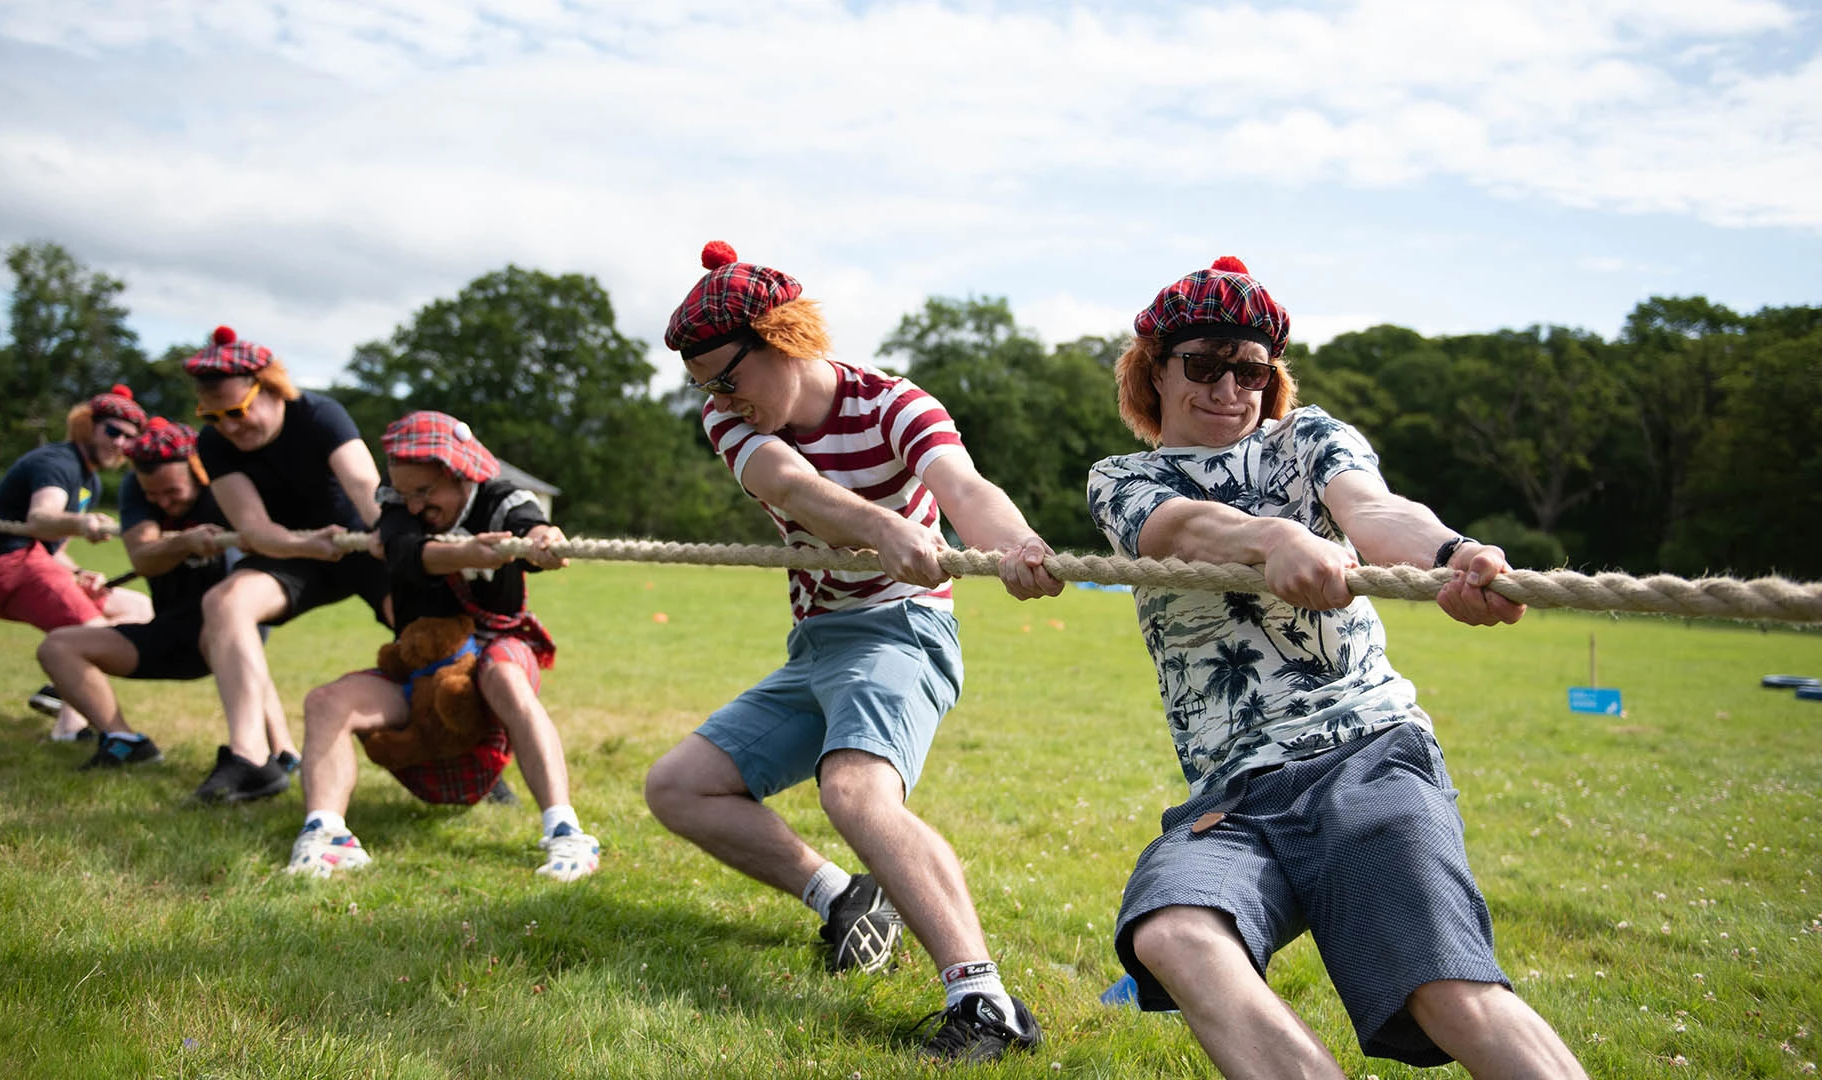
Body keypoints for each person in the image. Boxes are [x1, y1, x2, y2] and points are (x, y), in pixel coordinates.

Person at [1087, 256, 1586, 1078]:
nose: (1228, 388)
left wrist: (1452, 555)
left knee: (1446, 992)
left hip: (1368, 756)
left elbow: (1374, 508)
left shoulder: (1309, 436)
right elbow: (1178, 529)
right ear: (1154, 372)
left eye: (1250, 369)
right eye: (1203, 364)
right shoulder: (1124, 478)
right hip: (1235, 791)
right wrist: (1276, 539)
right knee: (1172, 929)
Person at [641, 241, 1062, 1065]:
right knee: (679, 787)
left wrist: (1017, 548)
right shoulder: (732, 418)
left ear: (785, 337)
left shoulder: (896, 405)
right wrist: (880, 525)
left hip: (903, 631)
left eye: (728, 377)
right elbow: (790, 485)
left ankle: (984, 1002)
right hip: (818, 643)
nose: (719, 399)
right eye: (705, 387)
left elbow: (963, 488)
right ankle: (843, 897)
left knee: (857, 794)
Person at [285, 410, 599, 881]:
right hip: (423, 661)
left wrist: (542, 539)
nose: (412, 505)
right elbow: (409, 554)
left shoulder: (501, 496)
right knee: (326, 702)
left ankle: (566, 834)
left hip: (498, 643)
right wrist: (466, 553)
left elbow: (530, 524)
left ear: (459, 473)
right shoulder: (395, 504)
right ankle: (326, 834)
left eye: (424, 492)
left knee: (506, 679)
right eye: (405, 492)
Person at [183, 326, 391, 804]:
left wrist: (388, 538)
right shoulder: (213, 444)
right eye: (214, 416)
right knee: (225, 603)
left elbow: (366, 488)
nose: (230, 427)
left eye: (237, 411)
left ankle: (466, 754)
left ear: (272, 387)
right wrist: (308, 546)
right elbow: (252, 526)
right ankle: (251, 759)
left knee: (423, 624)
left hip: (361, 542)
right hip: (292, 551)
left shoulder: (320, 415)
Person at [34, 417, 293, 772]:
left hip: (223, 631)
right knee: (57, 647)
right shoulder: (135, 489)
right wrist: (186, 542)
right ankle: (125, 741)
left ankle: (279, 751)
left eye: (173, 493)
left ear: (198, 473)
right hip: (170, 633)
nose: (164, 503)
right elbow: (143, 557)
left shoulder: (227, 488)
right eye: (154, 495)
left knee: (231, 630)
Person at [0, 384, 153, 741]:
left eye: (129, 438)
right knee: (96, 636)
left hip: (31, 562)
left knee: (138, 608)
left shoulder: (88, 481)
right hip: (2, 564)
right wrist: (82, 523)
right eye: (113, 431)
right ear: (87, 425)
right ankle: (100, 731)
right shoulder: (58, 463)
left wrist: (79, 573)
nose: (120, 443)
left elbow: (53, 551)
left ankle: (60, 699)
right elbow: (41, 517)